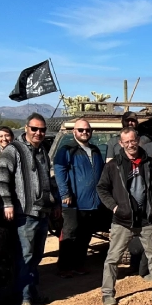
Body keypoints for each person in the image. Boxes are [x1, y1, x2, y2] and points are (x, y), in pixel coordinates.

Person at [96, 127, 152, 305]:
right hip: (122, 220)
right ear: (121, 143)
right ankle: (108, 294)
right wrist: (114, 207)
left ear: (137, 140)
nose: (131, 144)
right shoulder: (113, 165)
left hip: (146, 219)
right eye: (126, 142)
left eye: (133, 140)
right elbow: (102, 188)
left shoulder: (149, 163)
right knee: (113, 258)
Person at [0, 113, 62, 305]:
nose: (38, 133)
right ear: (26, 129)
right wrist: (7, 203)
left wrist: (56, 202)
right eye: (34, 129)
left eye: (42, 130)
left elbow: (50, 180)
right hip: (24, 212)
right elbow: (2, 175)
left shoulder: (42, 151)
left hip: (42, 211)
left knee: (36, 256)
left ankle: (33, 292)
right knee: (25, 256)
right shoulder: (13, 149)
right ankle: (24, 298)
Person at [53, 118, 106, 278]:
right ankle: (64, 267)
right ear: (74, 132)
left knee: (85, 234)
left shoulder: (96, 150)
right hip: (73, 202)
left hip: (92, 202)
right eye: (81, 130)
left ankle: (79, 264)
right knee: (70, 234)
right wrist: (65, 194)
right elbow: (59, 171)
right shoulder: (67, 150)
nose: (84, 133)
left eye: (87, 130)